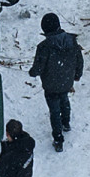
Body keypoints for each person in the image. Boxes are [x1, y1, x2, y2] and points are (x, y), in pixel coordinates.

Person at [28, 12, 83, 151]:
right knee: (64, 99)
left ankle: (58, 139)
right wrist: (77, 74)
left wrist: (32, 72)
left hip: (51, 84)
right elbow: (79, 60)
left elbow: (39, 67)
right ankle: (66, 122)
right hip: (66, 81)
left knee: (54, 110)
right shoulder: (72, 41)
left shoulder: (44, 47)